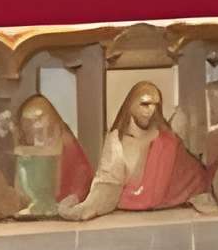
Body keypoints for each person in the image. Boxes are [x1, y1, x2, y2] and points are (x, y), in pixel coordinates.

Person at [63, 82, 209, 218]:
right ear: (130, 104)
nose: (151, 110)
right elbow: (108, 182)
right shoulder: (116, 140)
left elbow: (194, 177)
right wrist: (88, 208)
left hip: (167, 217)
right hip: (126, 214)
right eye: (145, 104)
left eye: (155, 105)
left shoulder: (168, 141)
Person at [13, 92, 93, 215]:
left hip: (63, 209)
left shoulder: (66, 142)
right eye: (29, 123)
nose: (36, 126)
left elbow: (83, 172)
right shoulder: (24, 151)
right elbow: (19, 186)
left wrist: (75, 196)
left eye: (39, 120)